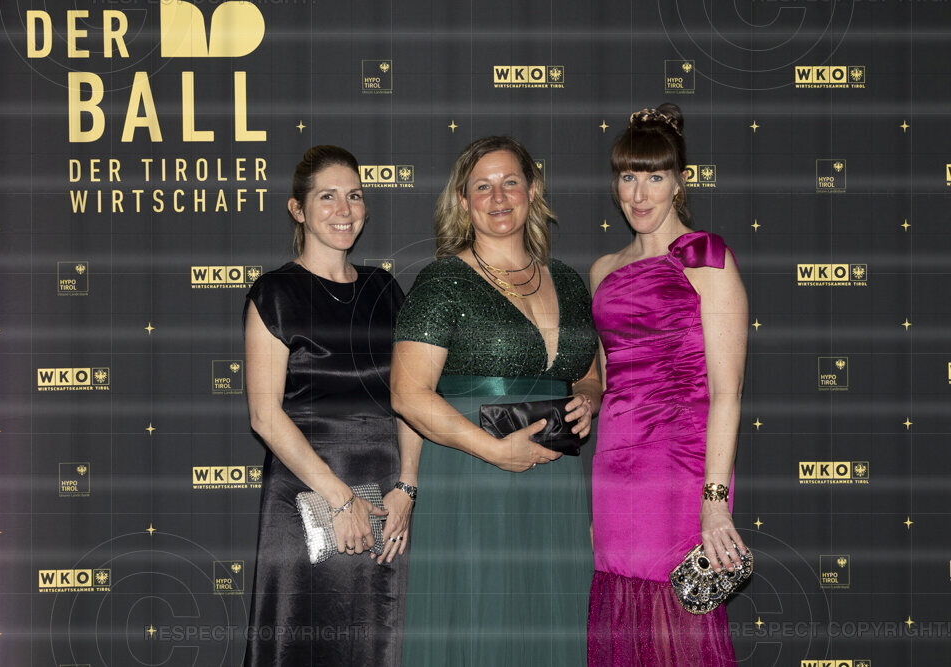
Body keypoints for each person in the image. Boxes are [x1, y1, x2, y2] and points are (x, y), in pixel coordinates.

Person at [391, 136, 601, 665]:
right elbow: (408, 394)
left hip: (554, 482)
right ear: (463, 201)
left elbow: (590, 374)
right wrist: (495, 451)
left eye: (510, 182)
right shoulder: (443, 281)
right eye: (482, 187)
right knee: (480, 619)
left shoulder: (568, 280)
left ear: (533, 191)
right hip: (474, 474)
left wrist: (587, 398)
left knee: (552, 619)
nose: (499, 197)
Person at [242, 145, 421, 666]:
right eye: (327, 197)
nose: (344, 210)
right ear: (298, 209)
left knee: (373, 642)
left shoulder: (385, 289)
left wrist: (407, 487)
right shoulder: (275, 294)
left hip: (387, 502)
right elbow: (265, 416)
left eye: (355, 196)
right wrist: (340, 501)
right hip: (306, 496)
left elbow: (411, 396)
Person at [587, 104, 748, 665]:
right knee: (622, 611)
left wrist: (715, 502)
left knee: (675, 621)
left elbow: (727, 393)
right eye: (628, 177)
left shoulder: (706, 258)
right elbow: (611, 382)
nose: (639, 194)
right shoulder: (603, 270)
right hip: (615, 467)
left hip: (680, 466)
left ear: (680, 181)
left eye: (654, 177)